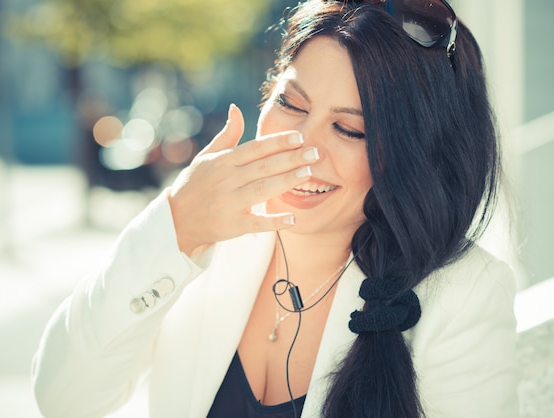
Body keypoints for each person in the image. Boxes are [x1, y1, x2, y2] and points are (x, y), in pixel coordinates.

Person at [32, 1, 518, 417]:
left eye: (350, 130)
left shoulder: (464, 294)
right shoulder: (205, 233)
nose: (301, 147)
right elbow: (63, 398)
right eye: (291, 103)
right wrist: (175, 228)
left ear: (415, 154)